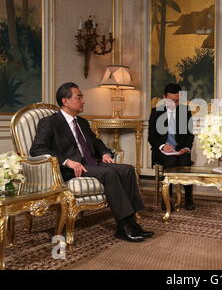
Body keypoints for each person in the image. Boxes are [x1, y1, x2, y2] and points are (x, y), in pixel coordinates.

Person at [30, 82, 154, 243]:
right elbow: (37, 149)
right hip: (74, 168)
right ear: (65, 101)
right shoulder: (49, 122)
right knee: (109, 174)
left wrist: (103, 153)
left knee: (128, 169)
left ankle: (133, 222)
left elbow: (95, 142)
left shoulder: (81, 122)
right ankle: (124, 227)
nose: (83, 100)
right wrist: (67, 161)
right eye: (79, 97)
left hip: (92, 162)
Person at [148, 83, 195, 210]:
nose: (174, 103)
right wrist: (162, 146)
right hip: (163, 151)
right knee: (170, 160)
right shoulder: (156, 112)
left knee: (185, 159)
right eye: (171, 100)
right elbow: (151, 137)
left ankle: (189, 199)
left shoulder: (185, 111)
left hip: (180, 149)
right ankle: (166, 199)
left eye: (177, 100)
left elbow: (190, 134)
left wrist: (186, 148)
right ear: (164, 97)